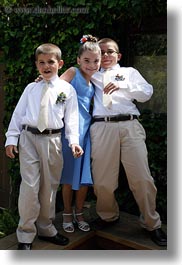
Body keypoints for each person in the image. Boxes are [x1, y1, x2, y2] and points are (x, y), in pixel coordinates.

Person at [5, 43, 83, 250]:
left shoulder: (67, 90)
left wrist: (73, 141)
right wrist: (11, 139)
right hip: (29, 138)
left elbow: (72, 118)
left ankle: (46, 227)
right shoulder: (31, 88)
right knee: (29, 187)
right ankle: (25, 234)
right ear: (36, 65)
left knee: (49, 187)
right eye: (42, 63)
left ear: (60, 64)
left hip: (52, 140)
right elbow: (18, 114)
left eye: (51, 62)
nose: (46, 66)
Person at [90, 38, 167, 246]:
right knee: (102, 180)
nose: (105, 55)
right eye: (102, 52)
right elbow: (66, 79)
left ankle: (152, 223)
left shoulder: (130, 72)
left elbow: (146, 92)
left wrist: (122, 84)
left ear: (118, 55)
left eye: (110, 52)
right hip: (102, 127)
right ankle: (108, 215)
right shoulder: (91, 74)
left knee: (142, 178)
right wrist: (42, 81)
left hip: (129, 126)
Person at [59, 35, 101, 233]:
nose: (91, 65)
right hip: (70, 132)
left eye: (96, 61)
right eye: (87, 60)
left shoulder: (95, 83)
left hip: (86, 133)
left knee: (84, 177)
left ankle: (79, 212)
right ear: (78, 60)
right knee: (68, 175)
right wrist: (43, 80)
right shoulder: (73, 72)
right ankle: (67, 213)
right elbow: (55, 88)